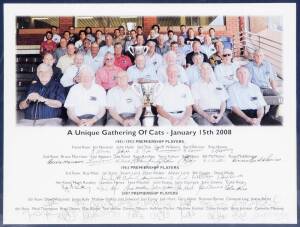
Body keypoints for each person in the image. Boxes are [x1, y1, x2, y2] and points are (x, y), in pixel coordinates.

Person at [246, 49, 281, 120]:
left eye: (261, 55)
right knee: (260, 100)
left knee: (278, 97)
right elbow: (248, 81)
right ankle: (261, 117)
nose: (259, 57)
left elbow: (272, 79)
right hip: (256, 89)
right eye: (257, 55)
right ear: (253, 56)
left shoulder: (267, 65)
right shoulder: (249, 65)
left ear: (263, 56)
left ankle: (270, 116)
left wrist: (274, 90)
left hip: (266, 88)